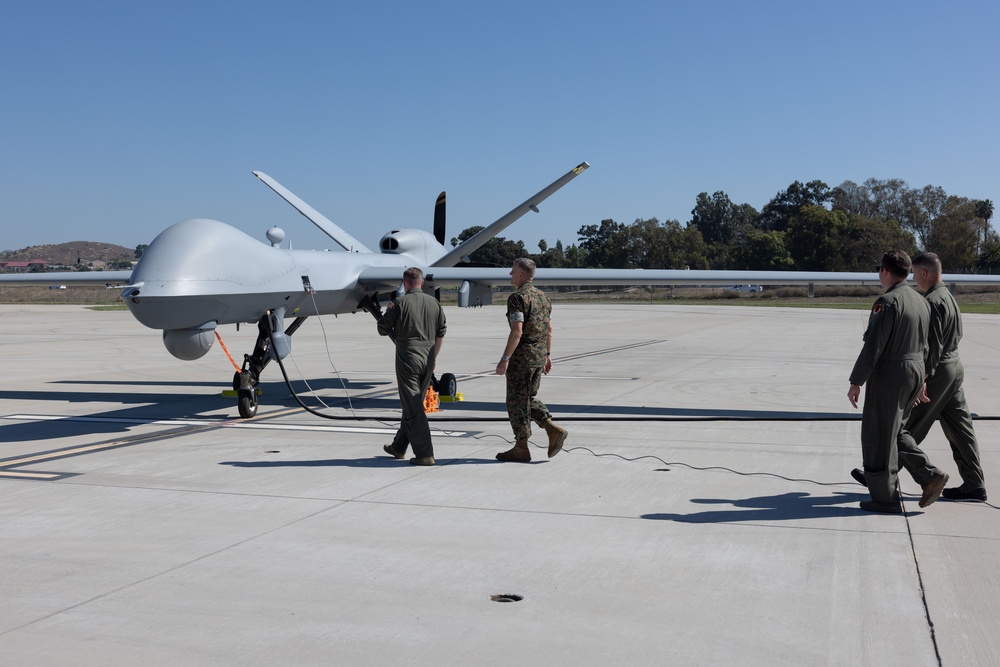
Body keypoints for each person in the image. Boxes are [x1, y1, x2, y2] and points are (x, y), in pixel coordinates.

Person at [847, 250, 944, 513]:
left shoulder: (887, 302)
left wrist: (857, 380)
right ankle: (929, 476)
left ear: (885, 271)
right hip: (914, 371)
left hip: (891, 373)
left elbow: (874, 346)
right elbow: (928, 344)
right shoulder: (921, 301)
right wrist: (922, 378)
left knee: (878, 433)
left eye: (880, 269)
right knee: (897, 432)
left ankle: (884, 498)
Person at [893, 253, 987, 501]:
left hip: (938, 371)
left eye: (914, 273)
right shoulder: (948, 297)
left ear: (924, 273)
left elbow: (931, 347)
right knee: (961, 429)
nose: (913, 278)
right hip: (954, 367)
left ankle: (884, 473)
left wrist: (923, 378)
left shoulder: (933, 301)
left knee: (908, 424)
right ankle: (974, 483)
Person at [494, 257, 567, 462]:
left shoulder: (517, 298)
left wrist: (505, 358)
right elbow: (549, 330)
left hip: (522, 358)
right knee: (528, 398)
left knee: (516, 402)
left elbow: (517, 332)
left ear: (521, 274)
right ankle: (551, 429)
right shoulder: (544, 297)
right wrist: (547, 355)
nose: (510, 274)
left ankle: (521, 446)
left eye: (513, 270)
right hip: (537, 357)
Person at [377, 267, 446, 465]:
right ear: (421, 282)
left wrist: (390, 313)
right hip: (429, 357)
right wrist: (433, 358)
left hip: (408, 357)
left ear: (404, 283)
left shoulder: (399, 303)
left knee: (413, 406)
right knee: (413, 402)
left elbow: (382, 329)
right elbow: (441, 332)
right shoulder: (434, 303)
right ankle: (398, 446)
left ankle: (425, 454)